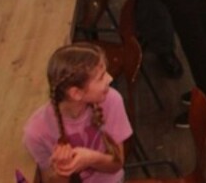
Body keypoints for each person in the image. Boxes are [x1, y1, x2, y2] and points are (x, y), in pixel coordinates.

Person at [22, 42, 131, 183]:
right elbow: (50, 180)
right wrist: (63, 169)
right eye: (101, 77)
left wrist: (92, 159)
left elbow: (117, 164)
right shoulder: (36, 133)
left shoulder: (111, 100)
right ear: (76, 93)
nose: (110, 78)